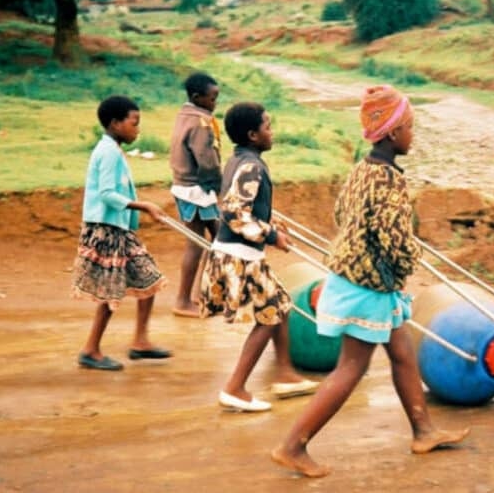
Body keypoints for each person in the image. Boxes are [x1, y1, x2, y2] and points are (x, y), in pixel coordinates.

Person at [271, 85, 469, 479]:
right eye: (410, 127)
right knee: (351, 368)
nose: (414, 134)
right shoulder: (390, 181)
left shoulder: (363, 169)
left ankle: (424, 431)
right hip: (367, 287)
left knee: (402, 352)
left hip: (355, 277)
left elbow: (340, 212)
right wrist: (413, 260)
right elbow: (395, 239)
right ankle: (293, 445)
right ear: (394, 133)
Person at [201, 102, 319, 412]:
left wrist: (271, 225)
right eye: (268, 127)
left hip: (237, 252)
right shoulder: (250, 166)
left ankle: (286, 374)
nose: (272, 132)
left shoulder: (240, 159)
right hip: (239, 256)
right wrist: (271, 236)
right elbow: (234, 213)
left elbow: (243, 207)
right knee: (269, 316)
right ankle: (235, 388)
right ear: (253, 135)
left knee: (279, 304)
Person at [72, 95, 171, 371]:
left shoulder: (113, 149)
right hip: (106, 230)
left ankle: (140, 342)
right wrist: (143, 205)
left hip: (120, 229)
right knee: (109, 291)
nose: (137, 129)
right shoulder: (108, 152)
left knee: (148, 279)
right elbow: (106, 194)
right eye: (134, 123)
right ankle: (91, 350)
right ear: (115, 124)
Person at [169, 72, 223, 317]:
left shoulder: (185, 115)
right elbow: (206, 159)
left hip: (187, 186)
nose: (215, 103)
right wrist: (220, 184)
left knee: (219, 239)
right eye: (212, 98)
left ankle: (205, 294)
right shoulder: (201, 122)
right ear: (197, 97)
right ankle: (184, 300)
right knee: (198, 244)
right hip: (197, 189)